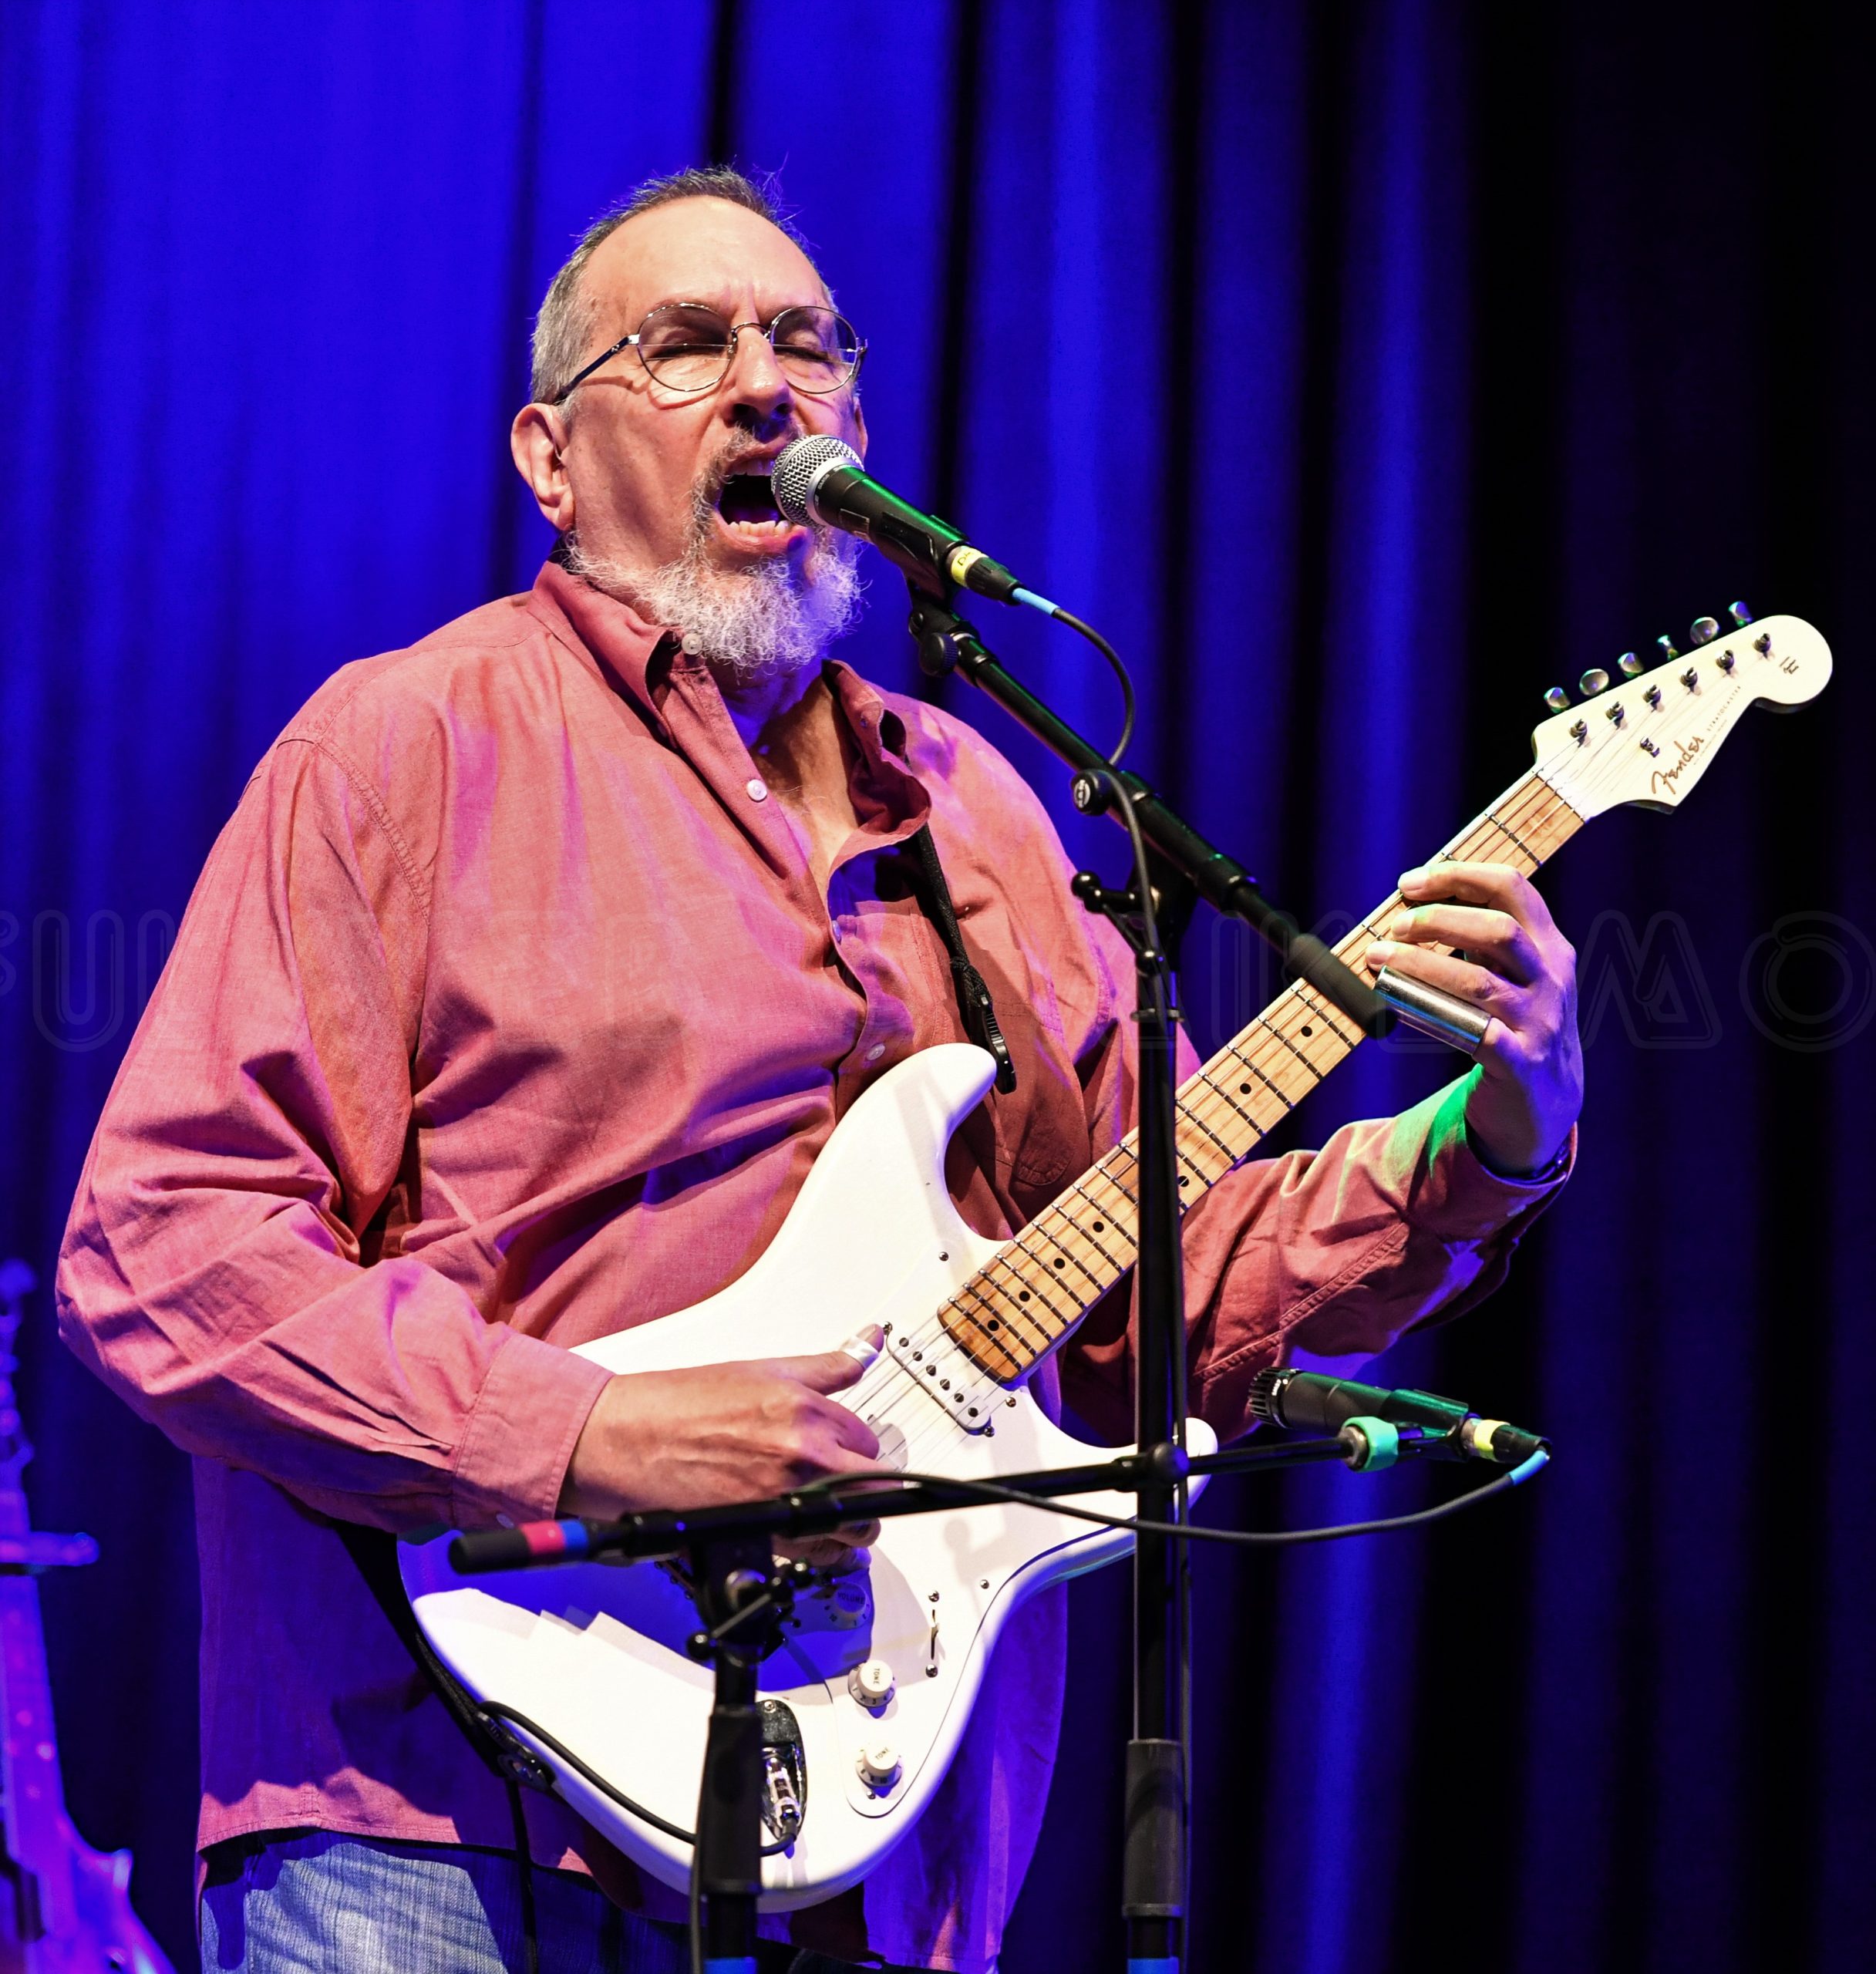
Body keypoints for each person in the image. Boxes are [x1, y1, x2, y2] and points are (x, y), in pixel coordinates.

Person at [56, 167, 1582, 1974]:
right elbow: (164, 1242)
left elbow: (1150, 1289)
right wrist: (585, 1430)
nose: (767, 386)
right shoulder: (407, 748)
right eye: (686, 346)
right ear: (550, 458)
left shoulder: (980, 808)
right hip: (439, 1815)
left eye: (806, 344)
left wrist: (1484, 1136)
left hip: (875, 1840)